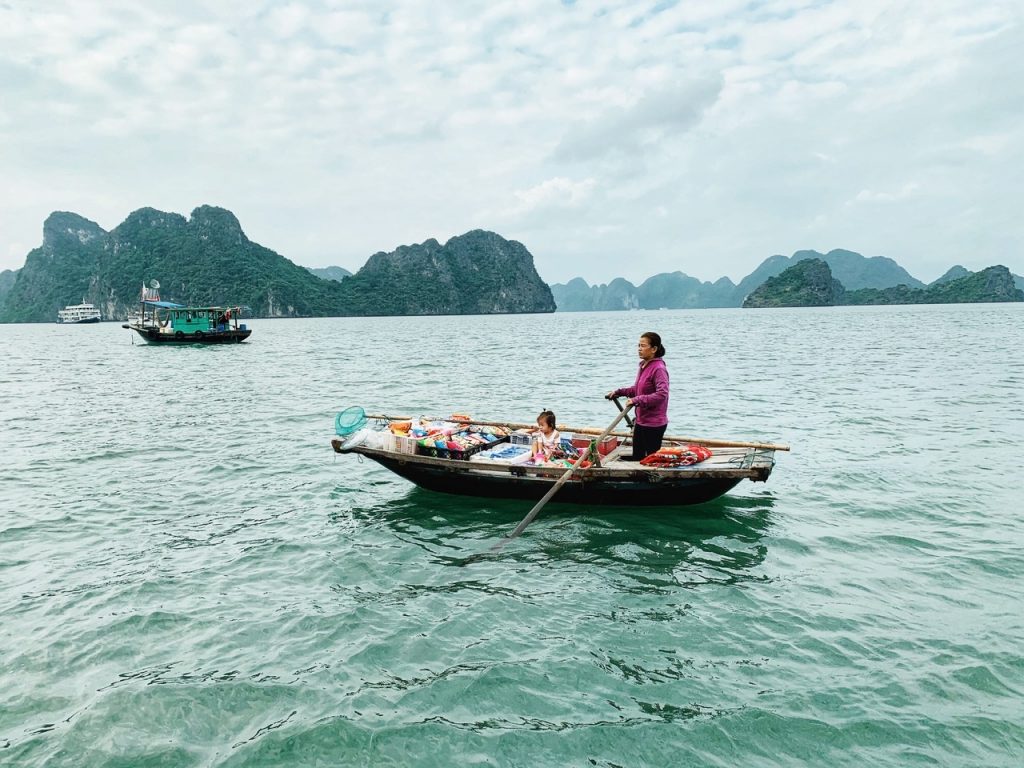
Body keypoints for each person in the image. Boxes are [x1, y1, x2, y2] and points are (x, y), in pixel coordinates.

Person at [606, 331, 670, 460]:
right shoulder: (643, 365)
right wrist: (619, 392)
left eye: (643, 346)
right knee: (637, 458)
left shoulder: (658, 368)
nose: (639, 349)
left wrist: (636, 400)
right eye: (638, 345)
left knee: (650, 460)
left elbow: (662, 394)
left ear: (654, 349)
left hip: (653, 424)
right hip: (641, 421)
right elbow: (639, 389)